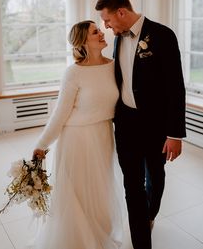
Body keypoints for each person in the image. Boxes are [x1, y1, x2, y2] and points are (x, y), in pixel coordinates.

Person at [95, 0, 186, 249]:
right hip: (125, 126)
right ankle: (141, 243)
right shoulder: (118, 38)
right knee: (132, 187)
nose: (106, 27)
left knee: (155, 176)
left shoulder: (162, 35)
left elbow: (175, 87)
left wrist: (174, 134)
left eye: (108, 20)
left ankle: (151, 214)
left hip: (156, 128)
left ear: (121, 12)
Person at [32, 20, 127, 249]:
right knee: (78, 194)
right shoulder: (73, 73)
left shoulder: (114, 66)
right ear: (83, 41)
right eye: (96, 31)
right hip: (77, 138)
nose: (102, 32)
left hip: (103, 134)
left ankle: (99, 232)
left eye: (100, 29)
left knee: (99, 188)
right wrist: (42, 144)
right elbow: (60, 114)